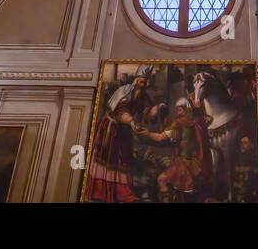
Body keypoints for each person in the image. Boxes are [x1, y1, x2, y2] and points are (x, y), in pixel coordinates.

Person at [86, 66, 157, 202]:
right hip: (111, 128)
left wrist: (149, 114)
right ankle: (104, 191)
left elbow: (144, 112)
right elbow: (121, 112)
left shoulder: (142, 95)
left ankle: (122, 190)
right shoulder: (124, 92)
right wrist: (132, 122)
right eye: (141, 82)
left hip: (124, 130)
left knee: (124, 158)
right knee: (109, 158)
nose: (143, 86)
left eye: (145, 83)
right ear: (136, 82)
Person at [137, 97, 214, 202]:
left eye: (180, 109)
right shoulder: (196, 122)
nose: (177, 112)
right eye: (177, 109)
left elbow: (159, 138)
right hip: (196, 163)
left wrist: (147, 133)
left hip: (183, 164)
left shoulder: (178, 123)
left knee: (161, 180)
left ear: (186, 109)